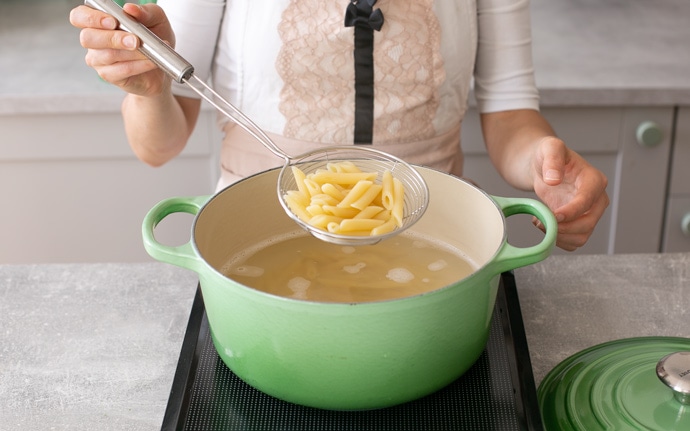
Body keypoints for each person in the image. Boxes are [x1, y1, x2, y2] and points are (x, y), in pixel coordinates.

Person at [70, 0, 608, 251]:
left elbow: (511, 113)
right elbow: (157, 145)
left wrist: (543, 160)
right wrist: (150, 89)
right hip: (255, 238)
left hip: (439, 241)